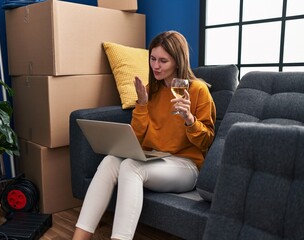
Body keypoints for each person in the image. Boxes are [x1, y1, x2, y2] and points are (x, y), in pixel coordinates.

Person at [72, 30, 216, 240]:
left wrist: (189, 119)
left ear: (178, 61)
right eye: (153, 59)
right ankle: (79, 237)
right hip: (155, 158)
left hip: (187, 166)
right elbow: (138, 137)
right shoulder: (151, 91)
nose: (155, 66)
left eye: (163, 61)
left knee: (131, 167)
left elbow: (207, 141)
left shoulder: (198, 90)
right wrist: (141, 104)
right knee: (110, 161)